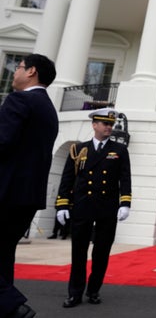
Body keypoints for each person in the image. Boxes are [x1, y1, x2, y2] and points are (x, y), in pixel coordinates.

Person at [55, 107, 132, 308]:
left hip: (107, 207)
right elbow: (68, 178)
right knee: (78, 252)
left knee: (101, 252)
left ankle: (94, 290)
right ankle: (74, 293)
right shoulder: (79, 149)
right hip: (83, 205)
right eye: (105, 123)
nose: (109, 127)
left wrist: (125, 203)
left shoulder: (120, 150)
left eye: (111, 124)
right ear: (94, 125)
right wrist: (62, 203)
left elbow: (125, 179)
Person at [0, 54, 58, 318]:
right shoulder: (47, 107)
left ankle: (13, 306)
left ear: (32, 71)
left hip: (5, 190)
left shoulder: (19, 100)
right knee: (3, 254)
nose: (14, 72)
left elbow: (2, 142)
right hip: (28, 196)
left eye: (19, 68)